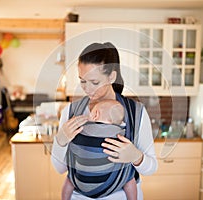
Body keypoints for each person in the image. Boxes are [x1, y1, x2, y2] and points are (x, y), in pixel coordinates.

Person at [51, 42, 157, 199]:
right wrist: (60, 140)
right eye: (82, 81)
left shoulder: (136, 112)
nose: (87, 89)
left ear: (111, 77)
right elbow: (60, 169)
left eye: (94, 82)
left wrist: (136, 157)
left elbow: (151, 168)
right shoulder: (71, 112)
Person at [62, 99, 137, 200]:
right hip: (111, 183)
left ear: (95, 114)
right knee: (130, 178)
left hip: (82, 182)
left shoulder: (82, 131)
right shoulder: (121, 134)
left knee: (69, 179)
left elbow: (72, 149)